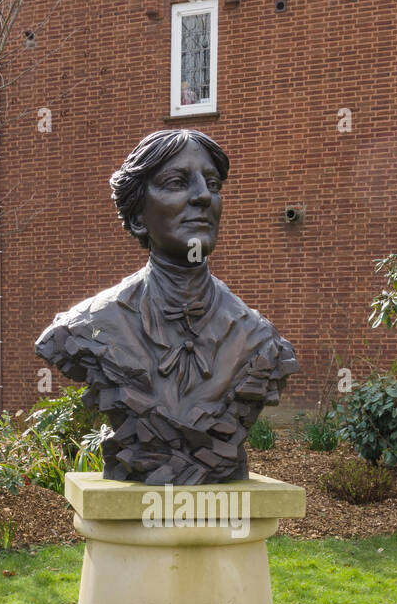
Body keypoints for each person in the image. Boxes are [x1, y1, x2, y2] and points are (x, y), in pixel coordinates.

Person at [35, 129, 298, 484]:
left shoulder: (261, 340)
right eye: (177, 182)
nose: (203, 197)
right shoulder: (88, 327)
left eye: (213, 185)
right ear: (138, 216)